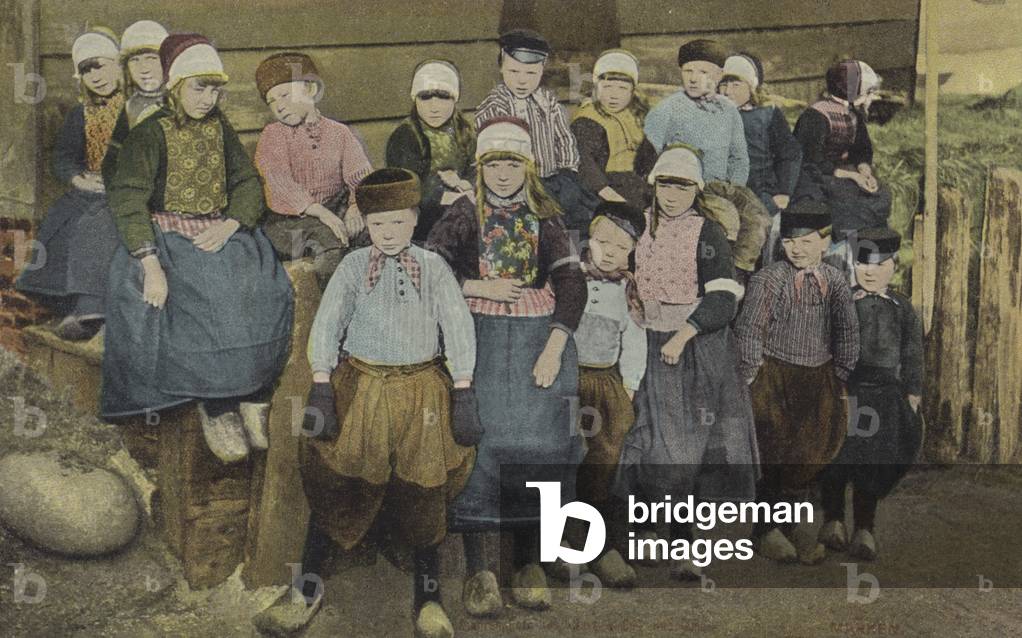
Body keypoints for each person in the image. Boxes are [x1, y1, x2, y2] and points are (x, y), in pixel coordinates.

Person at [267, 168, 478, 638]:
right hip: (361, 385)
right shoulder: (352, 266)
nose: (388, 233)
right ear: (366, 222)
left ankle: (428, 599)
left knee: (425, 490)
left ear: (415, 219)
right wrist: (322, 382)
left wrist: (463, 387)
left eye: (399, 222)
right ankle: (306, 588)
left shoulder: (434, 267)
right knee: (336, 478)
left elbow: (457, 325)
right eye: (378, 224)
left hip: (421, 390)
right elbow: (328, 323)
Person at [101, 34, 294, 463]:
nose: (208, 99)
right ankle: (217, 405)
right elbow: (128, 198)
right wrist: (150, 264)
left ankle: (253, 394)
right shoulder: (150, 133)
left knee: (264, 286)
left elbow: (246, 182)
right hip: (168, 235)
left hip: (219, 228)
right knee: (206, 296)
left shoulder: (219, 128)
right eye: (198, 88)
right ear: (175, 86)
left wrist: (231, 224)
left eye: (214, 90)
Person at [426, 117, 586, 616]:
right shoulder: (463, 212)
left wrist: (554, 347)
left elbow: (572, 282)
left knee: (542, 444)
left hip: (538, 339)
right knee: (481, 445)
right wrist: (478, 286)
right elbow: (430, 266)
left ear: (527, 168)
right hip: (480, 338)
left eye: (512, 164)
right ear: (480, 167)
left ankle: (528, 562)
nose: (502, 173)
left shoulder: (546, 216)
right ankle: (481, 571)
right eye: (493, 164)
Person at [615, 145, 759, 581]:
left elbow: (723, 299)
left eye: (682, 187)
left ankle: (686, 543)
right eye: (665, 185)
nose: (672, 195)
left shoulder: (707, 232)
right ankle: (642, 531)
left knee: (691, 448)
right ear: (654, 185)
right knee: (644, 439)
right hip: (644, 344)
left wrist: (683, 333)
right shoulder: (639, 226)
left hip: (694, 350)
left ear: (696, 190)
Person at [734, 200, 859, 564]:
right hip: (774, 376)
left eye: (806, 241)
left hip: (818, 377)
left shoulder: (835, 281)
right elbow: (750, 329)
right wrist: (752, 373)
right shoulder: (769, 279)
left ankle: (787, 527)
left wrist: (842, 371)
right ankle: (765, 531)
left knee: (808, 452)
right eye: (790, 241)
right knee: (773, 451)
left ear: (825, 241)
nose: (797, 249)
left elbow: (847, 329)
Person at [818, 228, 922, 562]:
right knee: (837, 456)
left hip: (884, 396)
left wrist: (913, 392)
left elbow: (913, 352)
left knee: (871, 461)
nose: (871, 272)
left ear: (894, 266)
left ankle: (865, 528)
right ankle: (833, 521)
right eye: (863, 264)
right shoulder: (842, 301)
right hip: (845, 390)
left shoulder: (902, 308)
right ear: (854, 266)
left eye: (879, 265)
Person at [16, 29, 124, 341]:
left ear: (118, 65)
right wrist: (78, 178)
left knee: (95, 227)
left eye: (101, 66)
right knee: (62, 221)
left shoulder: (132, 109)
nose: (96, 76)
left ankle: (92, 308)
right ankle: (67, 305)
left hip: (123, 189)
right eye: (87, 71)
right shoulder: (81, 114)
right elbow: (63, 156)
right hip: (90, 188)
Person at [570, 201, 647, 588]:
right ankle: (563, 543)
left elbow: (634, 341)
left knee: (604, 461)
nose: (611, 252)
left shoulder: (628, 290)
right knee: (565, 459)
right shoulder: (569, 279)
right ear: (588, 240)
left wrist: (628, 386)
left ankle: (601, 547)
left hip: (605, 384)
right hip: (568, 382)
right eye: (603, 243)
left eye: (621, 247)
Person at [254, 52, 373, 289]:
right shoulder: (273, 135)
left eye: (285, 95)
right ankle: (334, 308)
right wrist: (321, 213)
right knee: (329, 242)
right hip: (287, 225)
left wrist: (355, 206)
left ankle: (375, 302)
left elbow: (361, 175)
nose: (279, 106)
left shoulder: (339, 132)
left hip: (333, 210)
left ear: (310, 89)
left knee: (372, 231)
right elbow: (279, 183)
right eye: (271, 101)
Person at [474, 29, 596, 234]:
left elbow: (563, 138)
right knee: (540, 221)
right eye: (514, 72)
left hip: (556, 178)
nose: (522, 81)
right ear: (502, 69)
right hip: (519, 184)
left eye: (531, 73)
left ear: (541, 71)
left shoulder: (547, 101)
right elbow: (500, 155)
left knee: (578, 210)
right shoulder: (495, 107)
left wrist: (567, 172)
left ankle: (572, 251)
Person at [793, 60, 892, 280]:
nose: (869, 97)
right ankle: (840, 258)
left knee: (881, 193)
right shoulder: (815, 115)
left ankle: (869, 259)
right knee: (846, 200)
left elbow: (862, 150)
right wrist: (853, 176)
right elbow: (811, 160)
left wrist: (865, 171)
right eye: (866, 91)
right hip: (816, 175)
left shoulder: (853, 113)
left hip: (845, 174)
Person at [718, 52, 802, 267]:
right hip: (727, 193)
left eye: (736, 85)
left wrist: (784, 192)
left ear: (751, 87)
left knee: (770, 235)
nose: (727, 91)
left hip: (762, 193)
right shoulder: (714, 115)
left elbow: (789, 153)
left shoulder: (767, 114)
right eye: (723, 85)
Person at [386, 59, 476, 242]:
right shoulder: (407, 135)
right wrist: (448, 195)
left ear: (454, 99)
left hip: (462, 207)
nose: (434, 108)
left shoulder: (463, 130)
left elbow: (475, 168)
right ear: (415, 100)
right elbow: (408, 187)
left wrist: (466, 183)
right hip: (423, 218)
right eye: (425, 98)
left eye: (443, 98)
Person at [643, 39, 749, 185]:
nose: (693, 79)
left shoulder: (729, 110)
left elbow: (739, 160)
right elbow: (646, 160)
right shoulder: (667, 109)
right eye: (688, 71)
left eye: (703, 72)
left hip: (719, 191)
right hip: (681, 190)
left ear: (719, 75)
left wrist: (733, 190)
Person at [570, 49, 656, 211]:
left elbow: (649, 157)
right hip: (605, 189)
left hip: (637, 184)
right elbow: (585, 163)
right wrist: (608, 194)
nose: (614, 95)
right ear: (596, 87)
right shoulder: (588, 119)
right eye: (607, 87)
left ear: (632, 91)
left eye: (622, 88)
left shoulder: (636, 116)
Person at [102, 20, 170, 185]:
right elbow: (113, 157)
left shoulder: (181, 101)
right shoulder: (130, 106)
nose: (143, 68)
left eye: (151, 58)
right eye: (134, 60)